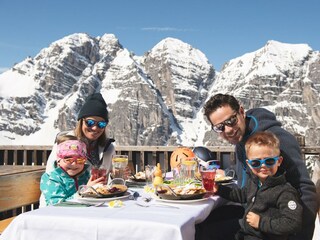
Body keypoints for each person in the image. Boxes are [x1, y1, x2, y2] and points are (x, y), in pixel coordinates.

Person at [198, 93, 318, 240]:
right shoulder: (241, 140)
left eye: (231, 120)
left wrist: (300, 236)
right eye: (220, 127)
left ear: (241, 112)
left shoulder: (275, 141)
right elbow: (244, 176)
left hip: (270, 226)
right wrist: (225, 174)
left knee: (206, 234)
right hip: (251, 210)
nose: (228, 129)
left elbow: (305, 188)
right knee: (203, 221)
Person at [215, 131, 303, 240]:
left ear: (279, 161)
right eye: (256, 163)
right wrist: (218, 189)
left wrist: (261, 223)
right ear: (249, 164)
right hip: (247, 232)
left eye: (269, 161)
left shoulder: (285, 192)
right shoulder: (255, 182)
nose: (263, 166)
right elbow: (242, 195)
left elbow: (293, 223)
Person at [46, 92, 116, 175]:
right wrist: (87, 188)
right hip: (72, 188)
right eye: (90, 122)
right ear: (81, 122)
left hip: (101, 188)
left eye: (101, 124)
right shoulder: (65, 142)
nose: (95, 128)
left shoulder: (108, 148)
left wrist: (116, 175)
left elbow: (111, 177)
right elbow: (51, 176)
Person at [40, 139, 103, 206]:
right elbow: (57, 205)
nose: (74, 164)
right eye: (68, 159)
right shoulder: (51, 178)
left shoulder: (85, 175)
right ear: (58, 161)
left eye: (80, 160)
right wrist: (86, 190)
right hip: (58, 215)